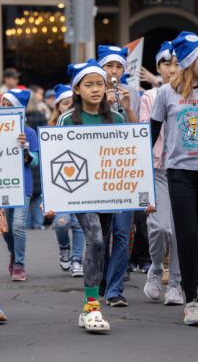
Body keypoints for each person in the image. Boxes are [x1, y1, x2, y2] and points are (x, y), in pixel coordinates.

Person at [150, 32, 198, 326]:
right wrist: (141, 171)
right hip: (178, 172)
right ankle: (191, 299)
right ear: (189, 60)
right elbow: (152, 132)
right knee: (189, 236)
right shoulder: (166, 93)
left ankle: (195, 283)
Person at [56, 59, 127, 333]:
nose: (96, 89)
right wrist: (54, 199)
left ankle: (91, 302)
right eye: (89, 85)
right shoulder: (66, 119)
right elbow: (56, 160)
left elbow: (128, 158)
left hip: (108, 192)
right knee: (95, 239)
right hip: (80, 193)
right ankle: (91, 307)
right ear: (77, 89)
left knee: (100, 243)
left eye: (100, 84)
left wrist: (144, 197)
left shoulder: (117, 118)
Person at [140, 41, 184, 306]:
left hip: (184, 168)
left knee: (180, 231)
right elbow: (147, 130)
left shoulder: (194, 94)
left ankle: (176, 283)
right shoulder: (151, 97)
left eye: (178, 63)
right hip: (158, 169)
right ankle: (156, 268)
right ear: (158, 68)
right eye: (167, 64)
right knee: (161, 227)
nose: (173, 69)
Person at [95, 46, 139, 308]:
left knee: (123, 232)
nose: (113, 71)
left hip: (123, 173)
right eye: (109, 66)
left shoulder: (131, 93)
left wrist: (127, 109)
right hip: (99, 175)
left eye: (118, 67)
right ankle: (100, 277)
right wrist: (105, 107)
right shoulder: (92, 90)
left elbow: (140, 133)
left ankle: (115, 289)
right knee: (100, 233)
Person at [0, 88, 39, 281]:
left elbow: (35, 162)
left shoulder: (29, 132)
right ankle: (14, 252)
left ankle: (19, 265)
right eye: (3, 105)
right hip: (2, 185)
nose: (5, 109)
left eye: (10, 106)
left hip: (23, 185)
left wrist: (25, 150)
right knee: (6, 229)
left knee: (18, 226)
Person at [44, 84, 84, 276]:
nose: (68, 107)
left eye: (72, 104)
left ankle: (77, 258)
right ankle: (64, 247)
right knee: (61, 221)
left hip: (81, 178)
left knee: (78, 222)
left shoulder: (82, 122)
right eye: (65, 104)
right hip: (59, 181)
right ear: (58, 106)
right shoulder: (50, 127)